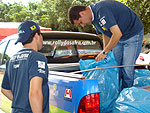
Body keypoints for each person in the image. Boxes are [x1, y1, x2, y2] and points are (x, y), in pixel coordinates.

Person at [68, 0, 144, 89]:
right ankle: (117, 91)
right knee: (115, 66)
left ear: (82, 13)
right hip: (118, 37)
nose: (83, 25)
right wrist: (105, 51)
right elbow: (106, 33)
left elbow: (117, 34)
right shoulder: (94, 19)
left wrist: (105, 52)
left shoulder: (101, 10)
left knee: (127, 68)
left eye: (81, 22)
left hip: (132, 34)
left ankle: (126, 94)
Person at [1, 20, 49, 113]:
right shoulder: (37, 57)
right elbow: (35, 92)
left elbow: (4, 89)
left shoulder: (12, 59)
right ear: (36, 35)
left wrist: (21, 103)